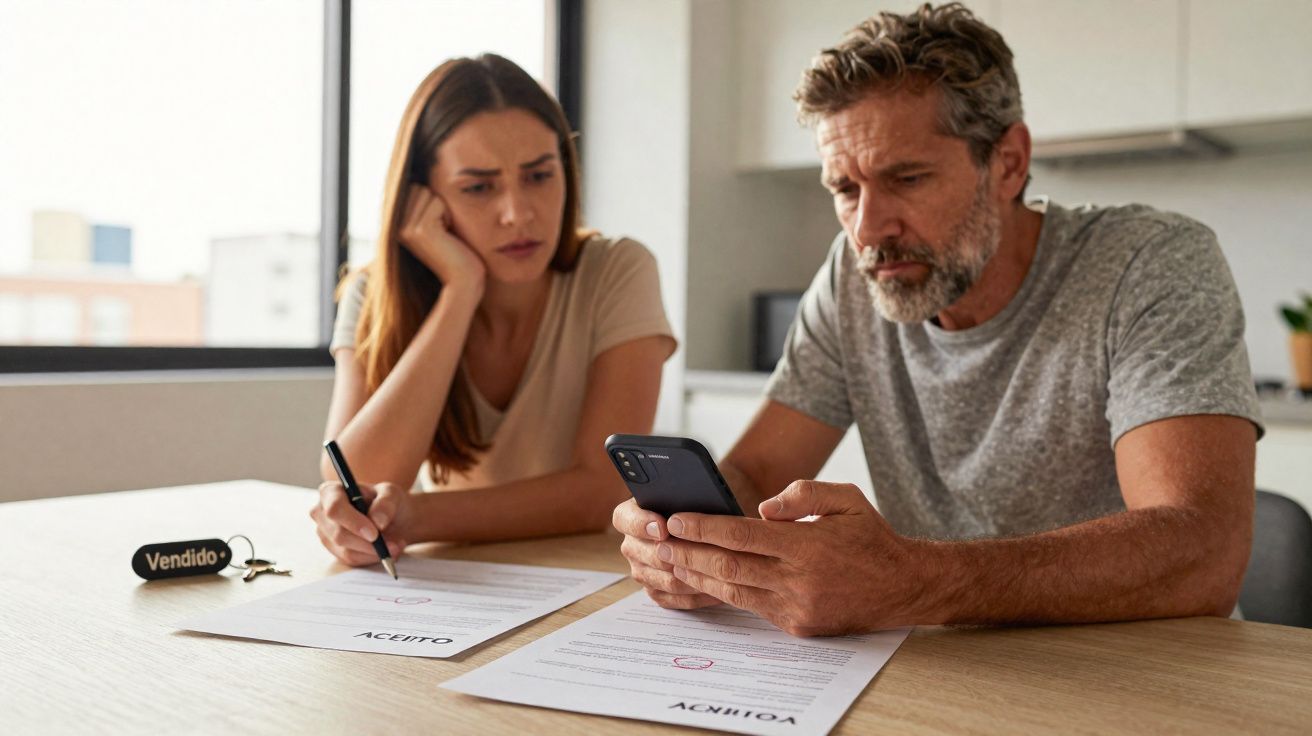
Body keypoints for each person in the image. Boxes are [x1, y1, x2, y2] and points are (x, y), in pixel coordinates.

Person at [613, 3, 1263, 635]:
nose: (868, 230)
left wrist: (912, 581)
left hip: (1153, 670)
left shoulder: (1148, 262)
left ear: (1007, 162)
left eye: (908, 178)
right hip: (947, 665)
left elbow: (1202, 551)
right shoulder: (853, 276)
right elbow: (753, 476)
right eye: (845, 190)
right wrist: (681, 534)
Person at [312, 54, 676, 566]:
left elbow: (600, 490)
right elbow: (359, 480)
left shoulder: (618, 270)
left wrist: (418, 517)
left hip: (585, 574)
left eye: (538, 176)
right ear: (423, 200)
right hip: (454, 585)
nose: (518, 213)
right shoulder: (375, 292)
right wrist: (460, 290)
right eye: (479, 187)